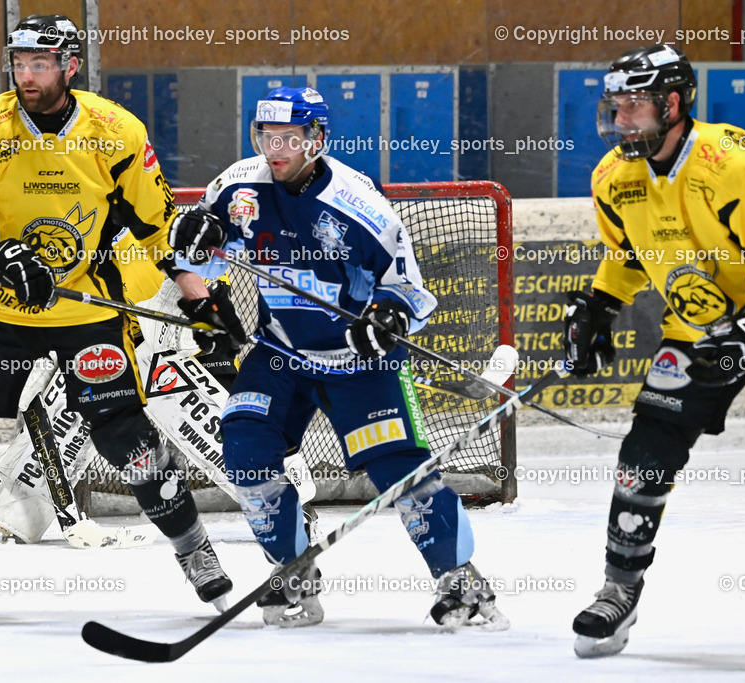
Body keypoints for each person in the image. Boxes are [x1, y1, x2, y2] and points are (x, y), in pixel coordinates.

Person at [0, 14, 244, 617]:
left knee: (129, 444)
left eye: (40, 63)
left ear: (70, 66)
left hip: (85, 312)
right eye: (19, 63)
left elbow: (157, 226)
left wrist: (199, 296)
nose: (26, 75)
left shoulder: (116, 132)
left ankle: (195, 552)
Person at [168, 86, 508, 630]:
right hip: (281, 351)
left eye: (288, 138)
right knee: (246, 452)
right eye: (264, 135)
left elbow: (413, 294)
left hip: (358, 361)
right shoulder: (238, 186)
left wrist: (390, 317)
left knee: (400, 473)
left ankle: (460, 579)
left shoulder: (358, 204)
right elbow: (192, 257)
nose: (273, 148)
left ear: (317, 140)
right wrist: (190, 239)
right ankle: (292, 571)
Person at [565, 44, 745, 658]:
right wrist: (598, 306)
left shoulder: (733, 165)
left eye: (633, 108)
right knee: (648, 443)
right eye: (614, 108)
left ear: (672, 105)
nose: (620, 121)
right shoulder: (612, 179)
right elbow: (626, 256)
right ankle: (617, 591)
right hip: (698, 328)